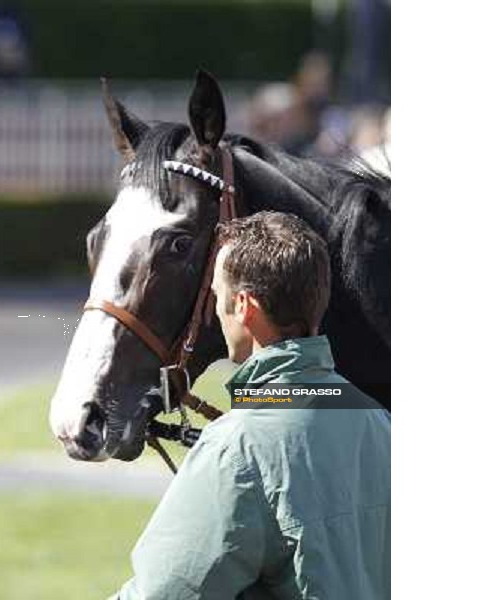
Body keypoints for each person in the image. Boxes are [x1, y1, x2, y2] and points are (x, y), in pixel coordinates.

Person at [109, 212, 390, 599]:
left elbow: (164, 593)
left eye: (217, 296)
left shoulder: (236, 447)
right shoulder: (379, 421)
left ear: (244, 306)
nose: (216, 311)